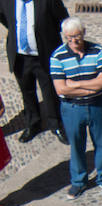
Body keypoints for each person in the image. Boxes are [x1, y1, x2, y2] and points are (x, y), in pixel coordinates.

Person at [49, 17, 102, 199]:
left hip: (97, 105)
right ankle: (78, 181)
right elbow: (60, 89)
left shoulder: (98, 51)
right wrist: (92, 84)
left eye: (76, 36)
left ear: (83, 33)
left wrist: (74, 85)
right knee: (77, 146)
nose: (73, 41)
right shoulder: (57, 57)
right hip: (72, 108)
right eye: (69, 38)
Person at [0, 0, 65, 145]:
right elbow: (6, 20)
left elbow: (61, 19)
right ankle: (33, 123)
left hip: (44, 54)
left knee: (49, 91)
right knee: (26, 91)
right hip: (20, 56)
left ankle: (55, 124)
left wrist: (45, 34)